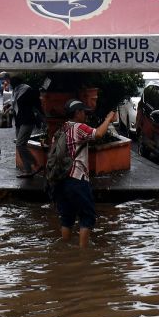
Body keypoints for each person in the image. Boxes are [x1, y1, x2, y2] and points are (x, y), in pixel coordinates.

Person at [52, 99, 116, 246]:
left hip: (60, 180)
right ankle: (83, 254)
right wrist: (108, 119)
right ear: (77, 113)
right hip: (77, 179)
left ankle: (65, 249)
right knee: (87, 216)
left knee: (67, 217)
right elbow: (98, 134)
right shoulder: (79, 128)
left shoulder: (61, 129)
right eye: (83, 111)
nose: (85, 114)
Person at [12, 82, 45, 178]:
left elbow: (37, 105)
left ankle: (36, 164)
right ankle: (28, 171)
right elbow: (15, 105)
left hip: (27, 120)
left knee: (20, 144)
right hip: (19, 121)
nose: (8, 83)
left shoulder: (28, 90)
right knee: (20, 146)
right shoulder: (16, 91)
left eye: (9, 80)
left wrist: (43, 117)